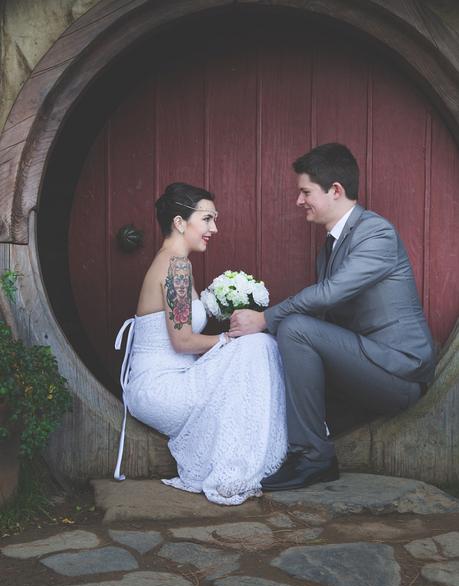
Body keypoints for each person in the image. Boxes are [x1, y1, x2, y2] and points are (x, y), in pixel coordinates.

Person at [229, 143, 435, 491]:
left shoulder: (375, 232)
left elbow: (329, 294)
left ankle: (314, 457)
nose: (299, 201)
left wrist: (265, 318)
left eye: (305, 191)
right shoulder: (328, 251)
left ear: (335, 190)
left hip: (400, 371)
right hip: (365, 366)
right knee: (291, 344)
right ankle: (298, 446)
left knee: (294, 328)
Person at [114, 182, 287, 505]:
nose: (214, 228)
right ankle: (238, 464)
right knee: (257, 346)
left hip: (173, 380)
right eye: (207, 219)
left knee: (257, 345)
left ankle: (246, 456)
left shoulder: (174, 262)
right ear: (180, 222)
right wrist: (227, 338)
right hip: (162, 389)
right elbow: (182, 341)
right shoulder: (176, 267)